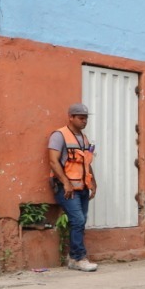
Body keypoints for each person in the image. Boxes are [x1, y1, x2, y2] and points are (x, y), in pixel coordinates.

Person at [47, 103, 98, 271]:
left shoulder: (83, 138)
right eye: (81, 118)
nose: (85, 122)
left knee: (80, 222)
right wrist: (65, 183)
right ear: (71, 117)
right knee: (78, 220)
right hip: (66, 188)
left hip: (82, 188)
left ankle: (72, 258)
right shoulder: (59, 135)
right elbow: (53, 161)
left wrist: (93, 182)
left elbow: (86, 162)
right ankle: (79, 258)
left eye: (86, 118)